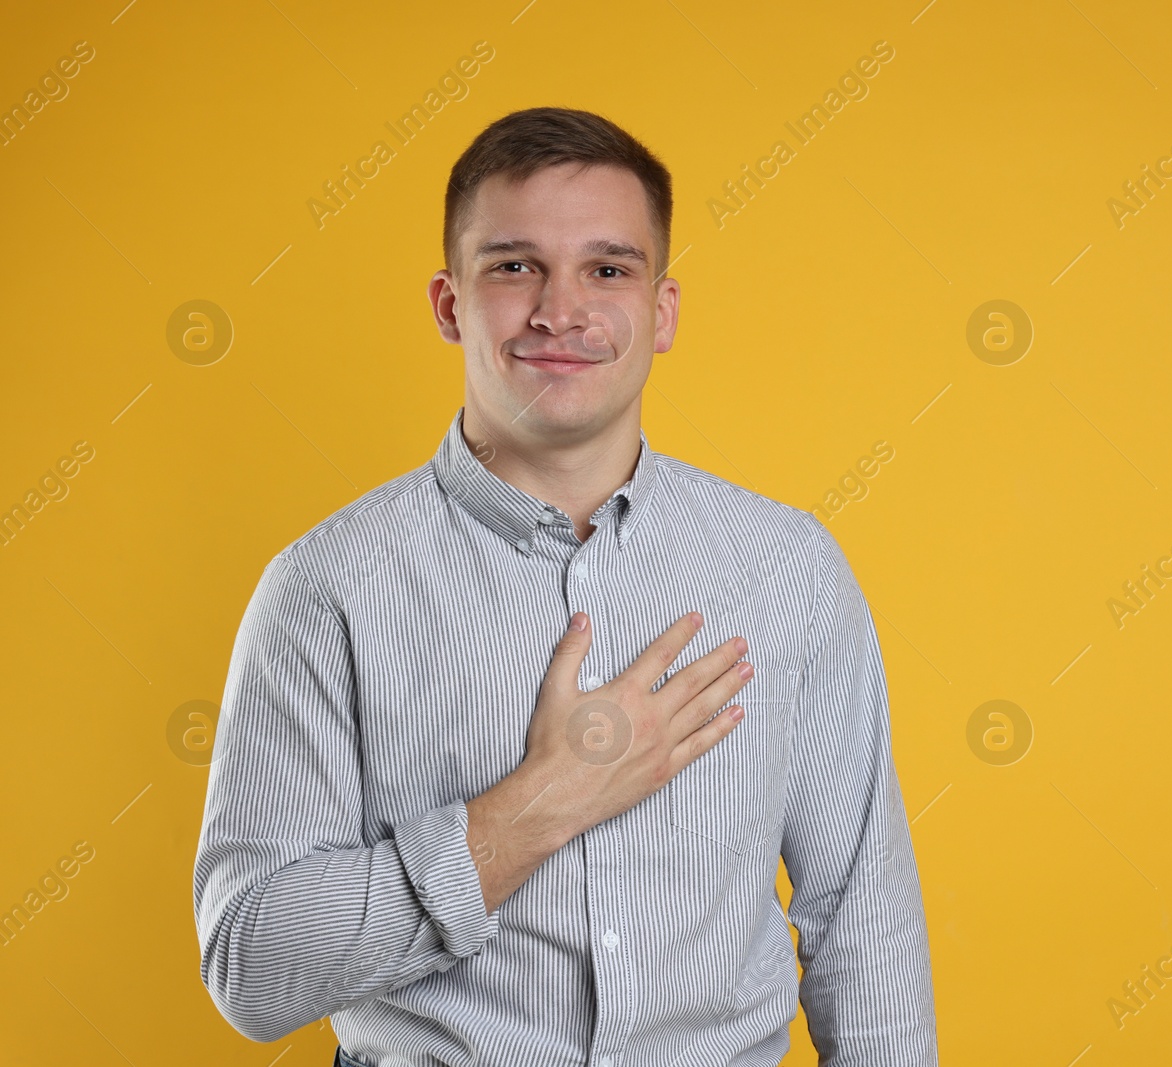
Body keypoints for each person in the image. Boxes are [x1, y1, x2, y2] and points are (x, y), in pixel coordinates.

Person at [192, 106, 937, 1066]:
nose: (561, 309)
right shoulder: (325, 588)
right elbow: (252, 970)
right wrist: (540, 805)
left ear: (661, 313)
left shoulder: (786, 567)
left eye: (608, 269)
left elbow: (862, 927)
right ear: (449, 303)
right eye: (513, 266)